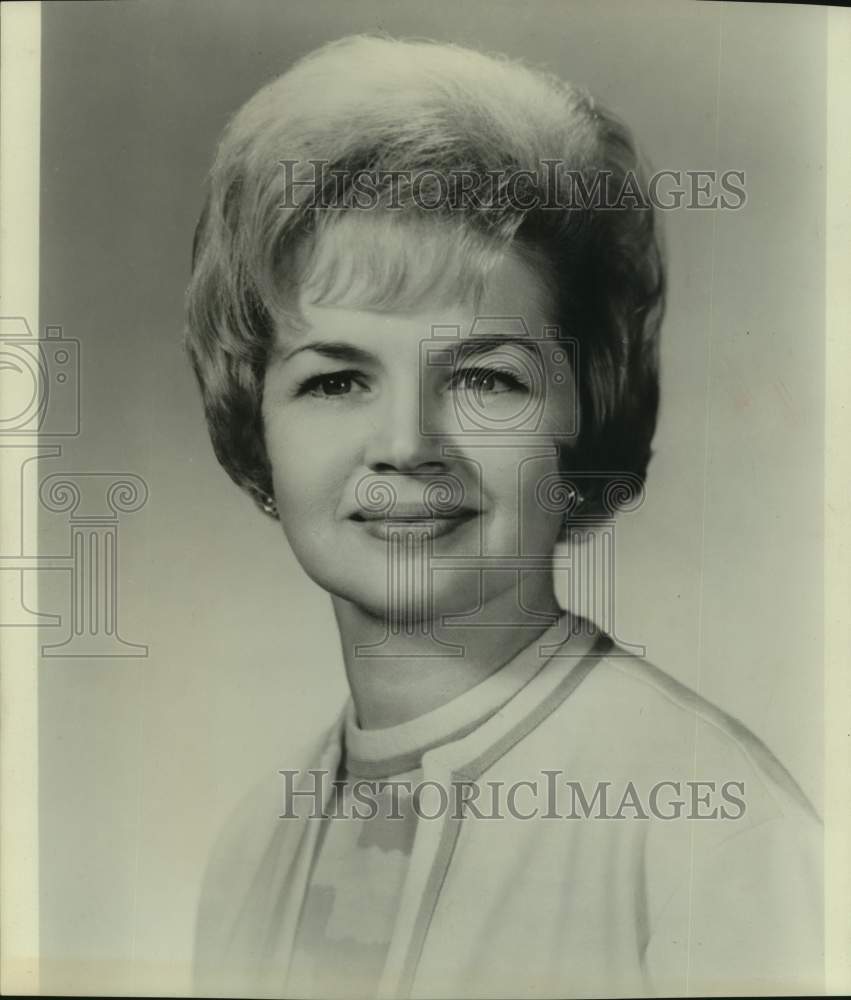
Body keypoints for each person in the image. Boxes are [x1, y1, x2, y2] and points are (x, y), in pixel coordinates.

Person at [184, 34, 822, 999]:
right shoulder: (249, 846)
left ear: (584, 409)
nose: (407, 445)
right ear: (255, 416)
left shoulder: (708, 825)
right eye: (338, 378)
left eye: (485, 377)